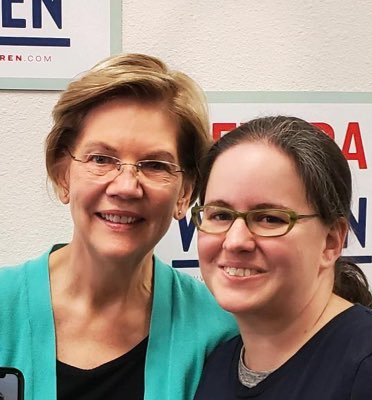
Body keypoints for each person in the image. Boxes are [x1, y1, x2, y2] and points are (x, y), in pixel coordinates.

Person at [0, 53, 237, 400]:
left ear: (185, 192)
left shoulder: (220, 334)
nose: (126, 186)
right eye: (101, 159)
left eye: (155, 165)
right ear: (62, 172)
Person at [192, 116, 372, 399]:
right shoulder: (214, 365)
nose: (235, 240)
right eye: (221, 215)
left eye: (269, 219)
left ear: (331, 241)